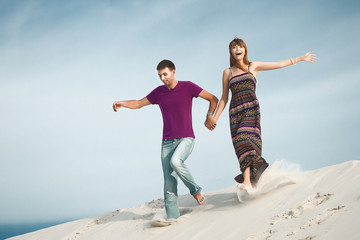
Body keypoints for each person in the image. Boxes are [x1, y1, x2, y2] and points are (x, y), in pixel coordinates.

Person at [113, 59, 218, 221]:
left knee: (176, 162)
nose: (162, 78)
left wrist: (209, 115)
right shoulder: (159, 92)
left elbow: (213, 98)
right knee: (169, 184)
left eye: (165, 74)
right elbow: (139, 103)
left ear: (173, 72)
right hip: (167, 142)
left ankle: (196, 191)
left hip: (186, 138)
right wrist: (122, 103)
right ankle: (172, 219)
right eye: (160, 75)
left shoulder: (187, 86)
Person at [207, 38, 316, 191]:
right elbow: (224, 97)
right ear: (231, 52)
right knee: (241, 146)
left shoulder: (253, 66)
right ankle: (249, 182)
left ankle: (246, 180)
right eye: (233, 47)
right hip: (235, 112)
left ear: (245, 50)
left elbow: (278, 64)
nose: (237, 48)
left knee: (243, 138)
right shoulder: (228, 72)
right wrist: (215, 118)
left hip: (251, 109)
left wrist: (300, 58)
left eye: (240, 46)